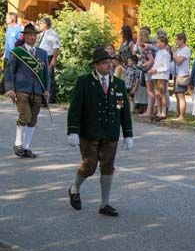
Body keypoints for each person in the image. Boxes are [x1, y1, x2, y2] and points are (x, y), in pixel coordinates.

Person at [66, 47, 133, 216]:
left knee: (108, 167)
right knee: (89, 166)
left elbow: (123, 110)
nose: (109, 65)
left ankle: (105, 204)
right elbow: (75, 108)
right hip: (90, 132)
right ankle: (74, 188)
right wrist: (72, 131)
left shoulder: (118, 83)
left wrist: (128, 134)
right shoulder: (84, 81)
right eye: (104, 63)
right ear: (96, 65)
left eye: (110, 62)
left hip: (110, 133)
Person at [4, 23, 50, 158]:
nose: (32, 38)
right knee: (25, 116)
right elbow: (9, 71)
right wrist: (9, 89)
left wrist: (46, 89)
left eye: (34, 35)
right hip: (21, 89)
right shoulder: (17, 52)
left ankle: (26, 148)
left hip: (37, 90)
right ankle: (18, 144)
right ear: (24, 36)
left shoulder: (42, 53)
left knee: (33, 120)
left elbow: (46, 73)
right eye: (30, 35)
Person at [36, 17, 60, 103]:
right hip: (41, 57)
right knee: (42, 77)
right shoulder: (43, 33)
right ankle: (42, 97)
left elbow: (56, 48)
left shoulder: (52, 33)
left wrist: (54, 59)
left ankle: (51, 98)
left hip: (49, 57)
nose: (39, 25)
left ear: (45, 24)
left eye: (40, 24)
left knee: (49, 77)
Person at [147, 36, 171, 120]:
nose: (156, 43)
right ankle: (159, 112)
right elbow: (156, 64)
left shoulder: (165, 53)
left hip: (162, 76)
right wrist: (152, 69)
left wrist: (155, 70)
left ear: (163, 43)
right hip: (156, 75)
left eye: (158, 42)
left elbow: (166, 67)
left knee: (162, 94)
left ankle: (163, 113)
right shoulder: (158, 52)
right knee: (157, 94)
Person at [173, 33, 191, 121]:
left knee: (181, 96)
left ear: (182, 40)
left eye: (177, 40)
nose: (175, 41)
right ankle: (178, 113)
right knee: (177, 95)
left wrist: (174, 54)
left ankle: (182, 116)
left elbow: (179, 61)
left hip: (182, 75)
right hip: (177, 74)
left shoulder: (185, 50)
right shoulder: (179, 49)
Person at [2, 12, 21, 94]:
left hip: (14, 54)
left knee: (13, 72)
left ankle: (14, 90)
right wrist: (4, 54)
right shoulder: (8, 29)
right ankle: (4, 89)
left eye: (7, 18)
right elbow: (7, 43)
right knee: (6, 72)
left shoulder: (19, 29)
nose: (5, 19)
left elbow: (20, 42)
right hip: (7, 54)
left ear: (12, 19)